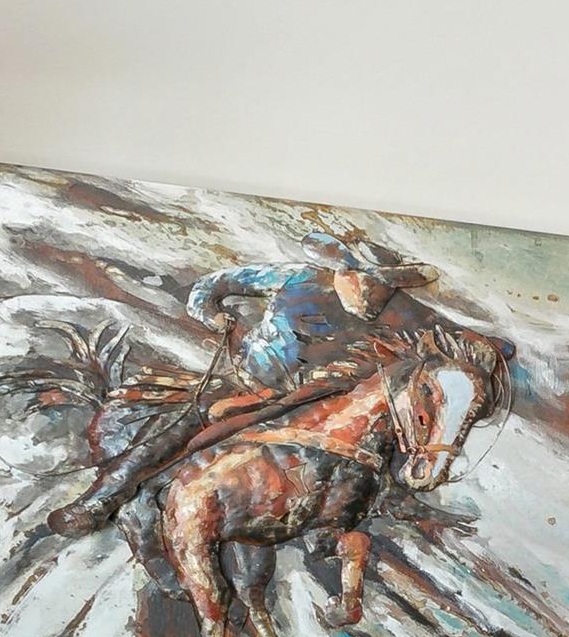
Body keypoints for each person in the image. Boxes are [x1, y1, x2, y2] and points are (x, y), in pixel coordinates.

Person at [45, 230, 438, 536]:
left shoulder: (382, 317)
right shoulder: (296, 278)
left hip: (311, 399)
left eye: (385, 290)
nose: (376, 298)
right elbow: (213, 285)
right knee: (198, 420)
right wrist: (213, 317)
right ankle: (103, 497)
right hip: (246, 382)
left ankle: (376, 503)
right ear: (346, 273)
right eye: (371, 285)